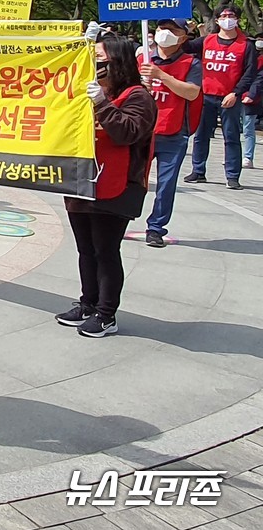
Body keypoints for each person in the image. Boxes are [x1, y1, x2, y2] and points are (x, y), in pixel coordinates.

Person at [57, 34, 157, 338]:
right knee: (85, 249)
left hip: (116, 185)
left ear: (118, 62)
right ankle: (88, 303)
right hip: (82, 182)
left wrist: (102, 104)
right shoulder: (86, 91)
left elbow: (127, 132)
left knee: (105, 250)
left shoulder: (138, 96)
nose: (96, 66)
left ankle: (106, 313)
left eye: (100, 60)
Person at [141, 19, 202, 248]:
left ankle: (156, 228)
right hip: (142, 131)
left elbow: (192, 93)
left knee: (166, 185)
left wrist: (161, 76)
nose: (164, 34)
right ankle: (121, 218)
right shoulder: (142, 59)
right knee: (133, 179)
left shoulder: (191, 63)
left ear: (183, 37)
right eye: (160, 29)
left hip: (173, 133)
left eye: (171, 30)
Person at [184, 5, 256, 190]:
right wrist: (187, 31)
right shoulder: (207, 40)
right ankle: (198, 170)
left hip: (230, 98)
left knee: (231, 137)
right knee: (201, 135)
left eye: (231, 15)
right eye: (223, 16)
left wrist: (236, 93)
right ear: (217, 20)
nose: (227, 19)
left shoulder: (246, 45)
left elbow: (250, 73)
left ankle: (232, 175)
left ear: (238, 19)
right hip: (206, 95)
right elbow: (183, 47)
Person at [244, 33, 263, 170]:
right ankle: (233, 156)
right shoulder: (247, 56)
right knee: (232, 129)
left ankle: (248, 157)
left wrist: (252, 94)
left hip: (252, 97)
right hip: (235, 95)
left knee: (248, 129)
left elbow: (259, 79)